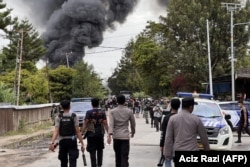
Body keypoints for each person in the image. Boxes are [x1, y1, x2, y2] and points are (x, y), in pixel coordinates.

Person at [163, 97, 210, 164]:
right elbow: (203, 137)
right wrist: (207, 149)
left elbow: (168, 137)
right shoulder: (196, 119)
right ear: (191, 107)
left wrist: (167, 153)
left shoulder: (173, 119)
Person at [49, 100, 84, 167]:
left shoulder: (58, 117)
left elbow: (56, 131)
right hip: (72, 140)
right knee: (73, 160)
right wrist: (82, 143)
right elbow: (77, 131)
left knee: (63, 161)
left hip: (62, 141)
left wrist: (52, 143)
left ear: (62, 107)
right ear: (70, 106)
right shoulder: (74, 116)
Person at [107, 94, 136, 167]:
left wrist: (109, 135)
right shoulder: (129, 111)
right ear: (124, 101)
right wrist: (133, 132)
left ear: (117, 101)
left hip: (116, 137)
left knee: (118, 157)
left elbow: (111, 124)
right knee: (125, 157)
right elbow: (133, 123)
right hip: (125, 136)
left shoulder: (113, 111)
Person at [81, 98, 109, 167]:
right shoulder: (102, 112)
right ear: (98, 103)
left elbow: (86, 123)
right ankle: (99, 164)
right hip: (100, 134)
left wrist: (82, 132)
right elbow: (105, 123)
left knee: (92, 151)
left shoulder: (89, 112)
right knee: (100, 150)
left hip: (91, 134)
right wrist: (109, 133)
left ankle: (93, 165)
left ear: (91, 104)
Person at [160, 98, 180, 167]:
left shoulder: (166, 118)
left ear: (170, 106)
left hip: (168, 143)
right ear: (179, 106)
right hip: (179, 143)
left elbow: (163, 132)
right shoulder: (181, 118)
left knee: (167, 161)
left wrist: (161, 145)